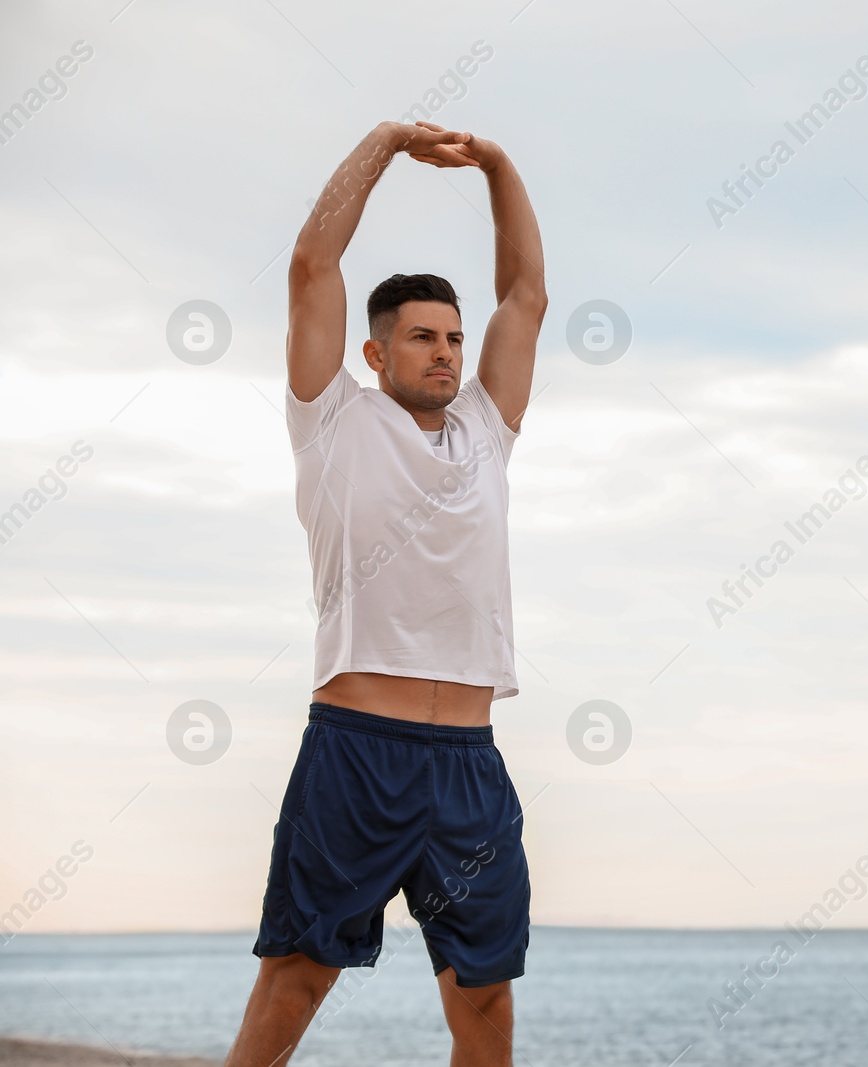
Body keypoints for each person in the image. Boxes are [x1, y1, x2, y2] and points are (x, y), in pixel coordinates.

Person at [223, 120, 547, 1067]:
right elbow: (312, 260)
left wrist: (495, 163)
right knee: (295, 983)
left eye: (452, 338)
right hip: (358, 755)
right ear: (376, 354)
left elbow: (525, 295)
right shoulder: (331, 420)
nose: (445, 352)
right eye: (421, 338)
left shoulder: (486, 431)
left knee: (485, 1003)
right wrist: (389, 143)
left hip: (471, 769)